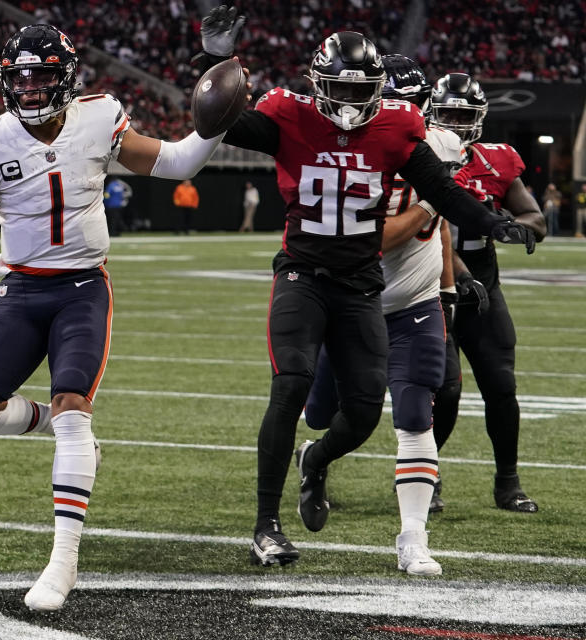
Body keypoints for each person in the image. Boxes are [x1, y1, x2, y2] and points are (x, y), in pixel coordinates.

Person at [0, 23, 231, 611]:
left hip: (81, 290)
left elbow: (176, 163)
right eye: (18, 75)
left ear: (65, 75)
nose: (29, 86)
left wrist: (215, 125)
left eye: (41, 74)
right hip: (20, 289)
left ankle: (62, 561)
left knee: (74, 409)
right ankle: (68, 433)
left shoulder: (99, 118)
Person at [194, 6, 537, 569]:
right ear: (317, 84)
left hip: (360, 285)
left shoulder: (398, 125)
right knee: (292, 387)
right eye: (340, 88)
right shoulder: (291, 113)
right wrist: (214, 60)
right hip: (303, 274)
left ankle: (316, 460)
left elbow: (440, 191)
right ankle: (266, 526)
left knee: (362, 411)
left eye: (362, 90)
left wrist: (491, 222)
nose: (352, 103)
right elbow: (220, 119)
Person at [302, 55, 465, 576]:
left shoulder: (439, 145)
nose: (405, 114)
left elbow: (437, 231)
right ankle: (315, 457)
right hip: (354, 301)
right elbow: (377, 237)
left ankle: (413, 538)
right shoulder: (342, 149)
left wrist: (448, 287)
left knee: (416, 417)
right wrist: (434, 204)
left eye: (412, 105)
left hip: (413, 305)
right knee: (321, 415)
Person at [429, 72, 547, 513]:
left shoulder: (496, 160)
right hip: (432, 284)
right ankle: (425, 475)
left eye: (464, 116)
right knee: (446, 391)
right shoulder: (417, 158)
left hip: (483, 284)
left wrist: (514, 227)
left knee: (501, 385)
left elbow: (535, 217)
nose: (456, 124)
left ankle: (508, 483)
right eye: (448, 115)